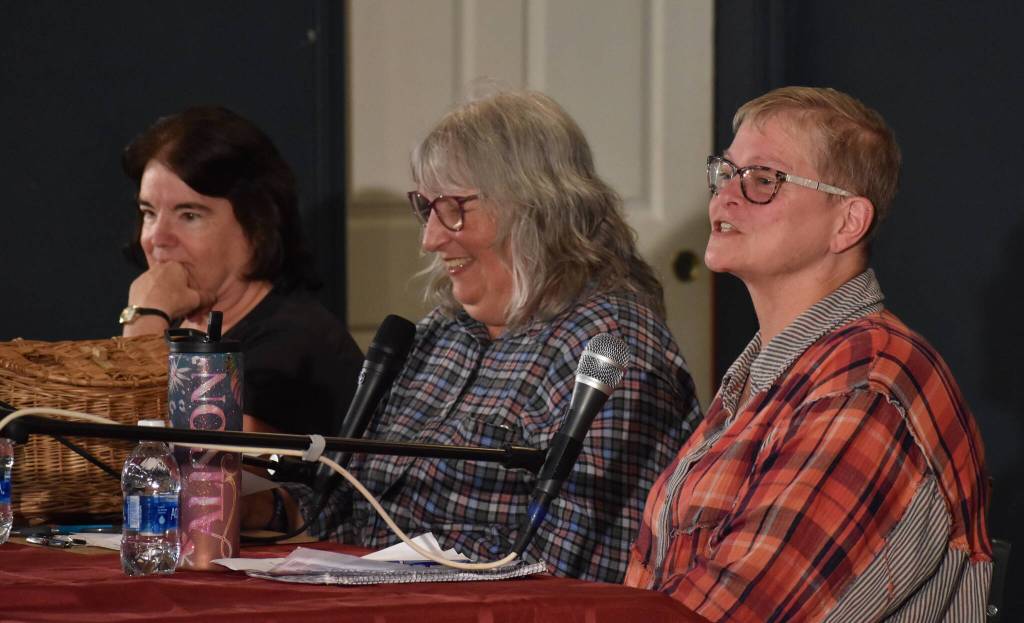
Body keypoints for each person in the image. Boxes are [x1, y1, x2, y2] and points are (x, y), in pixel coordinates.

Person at [243, 89, 702, 583]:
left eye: (453, 208)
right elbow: (351, 508)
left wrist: (394, 567)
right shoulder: (440, 335)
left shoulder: (609, 349)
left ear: (537, 206)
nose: (430, 238)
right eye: (426, 208)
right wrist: (258, 509)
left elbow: (576, 569)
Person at [624, 86, 992, 621]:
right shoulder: (766, 372)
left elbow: (741, 610)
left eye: (762, 180)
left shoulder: (867, 384)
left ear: (848, 222)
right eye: (725, 173)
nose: (725, 197)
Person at [120, 106, 363, 436]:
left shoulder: (294, 342)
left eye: (189, 215)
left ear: (256, 225)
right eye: (149, 212)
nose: (156, 238)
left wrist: (145, 317)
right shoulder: (181, 329)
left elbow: (192, 454)